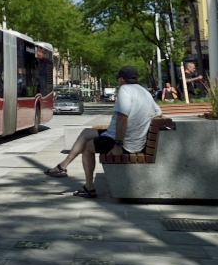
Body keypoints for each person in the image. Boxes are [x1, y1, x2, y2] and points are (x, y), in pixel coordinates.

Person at [45, 66, 161, 198]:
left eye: (118, 78)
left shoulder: (125, 90)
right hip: (130, 138)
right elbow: (158, 113)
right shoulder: (143, 91)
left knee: (87, 148)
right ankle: (63, 166)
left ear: (122, 79)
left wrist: (118, 145)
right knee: (86, 132)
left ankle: (89, 188)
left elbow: (123, 117)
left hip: (124, 142)